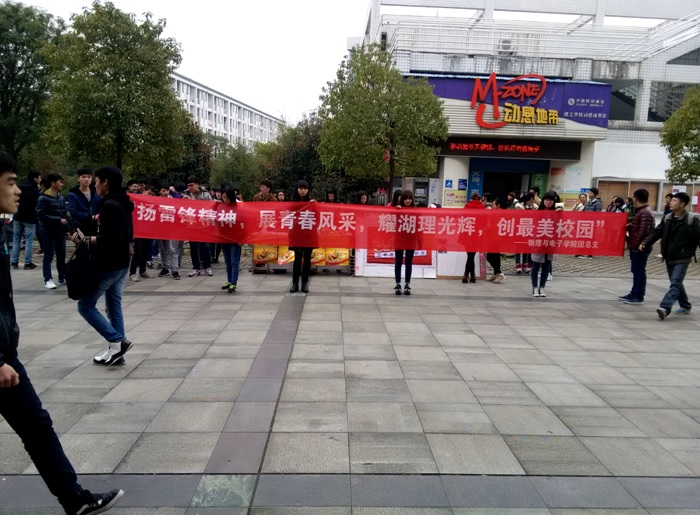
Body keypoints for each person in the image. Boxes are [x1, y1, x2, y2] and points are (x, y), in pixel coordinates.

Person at [0, 153, 124, 514]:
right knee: (36, 427)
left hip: (7, 356)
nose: (19, 190)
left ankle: (74, 499)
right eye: (11, 183)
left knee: (37, 426)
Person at [74, 166, 134, 367]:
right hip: (122, 263)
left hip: (109, 264)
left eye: (97, 181)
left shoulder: (110, 206)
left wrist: (87, 240)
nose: (95, 184)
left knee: (85, 306)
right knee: (113, 306)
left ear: (106, 182)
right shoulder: (123, 202)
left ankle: (117, 341)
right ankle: (117, 351)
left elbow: (110, 238)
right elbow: (124, 235)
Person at [640, 192, 700, 320]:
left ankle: (665, 307)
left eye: (674, 201)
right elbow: (657, 232)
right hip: (668, 255)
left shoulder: (692, 220)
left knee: (675, 282)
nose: (671, 202)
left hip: (683, 256)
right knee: (676, 282)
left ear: (682, 204)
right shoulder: (667, 218)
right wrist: (645, 242)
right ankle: (686, 305)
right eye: (671, 200)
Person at [620, 189, 655, 305]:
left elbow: (643, 232)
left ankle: (639, 296)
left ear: (636, 198)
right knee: (636, 270)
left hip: (640, 247)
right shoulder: (641, 211)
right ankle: (634, 293)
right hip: (637, 246)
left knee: (639, 271)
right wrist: (630, 226)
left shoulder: (644, 212)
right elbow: (639, 228)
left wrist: (635, 246)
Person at [36, 173, 69, 289]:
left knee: (62, 254)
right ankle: (48, 279)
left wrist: (66, 229)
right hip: (48, 231)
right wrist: (58, 220)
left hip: (60, 231)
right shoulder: (43, 198)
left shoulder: (61, 197)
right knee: (49, 255)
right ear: (53, 183)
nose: (62, 184)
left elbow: (64, 214)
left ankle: (62, 276)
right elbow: (41, 215)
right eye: (60, 182)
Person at [531, 192, 560, 297]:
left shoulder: (556, 213)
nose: (549, 202)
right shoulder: (537, 213)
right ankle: (535, 287)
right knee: (535, 265)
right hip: (539, 242)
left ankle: (542, 287)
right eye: (547, 200)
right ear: (543, 201)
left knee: (546, 266)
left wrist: (560, 213)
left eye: (551, 200)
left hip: (550, 243)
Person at [11, 170, 41, 270]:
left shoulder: (20, 186)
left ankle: (14, 262)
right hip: (30, 217)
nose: (40, 180)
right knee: (29, 240)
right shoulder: (34, 190)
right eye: (39, 178)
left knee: (16, 239)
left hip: (18, 215)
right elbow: (36, 204)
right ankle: (27, 263)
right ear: (35, 178)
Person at [184, 176, 214, 277]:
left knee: (205, 246)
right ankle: (196, 267)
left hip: (203, 225)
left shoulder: (206, 195)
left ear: (197, 184)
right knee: (193, 247)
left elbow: (211, 208)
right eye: (188, 185)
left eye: (192, 185)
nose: (190, 187)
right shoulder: (186, 195)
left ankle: (207, 266)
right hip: (191, 224)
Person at [289, 180, 316, 293]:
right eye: (301, 188)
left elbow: (316, 217)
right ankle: (295, 283)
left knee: (307, 260)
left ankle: (305, 283)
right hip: (297, 234)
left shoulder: (312, 202)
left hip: (308, 234)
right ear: (297, 189)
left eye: (305, 188)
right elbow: (289, 216)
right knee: (297, 259)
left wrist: (315, 205)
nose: (303, 191)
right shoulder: (293, 203)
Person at [156, 184, 183, 280]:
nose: (166, 192)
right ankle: (165, 267)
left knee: (172, 249)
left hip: (171, 229)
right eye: (163, 190)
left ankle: (175, 270)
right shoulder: (155, 201)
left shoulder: (174, 200)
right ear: (159, 191)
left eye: (167, 190)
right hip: (160, 229)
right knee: (162, 249)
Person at [220, 186, 242, 293]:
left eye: (227, 197)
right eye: (223, 197)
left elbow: (243, 223)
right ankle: (229, 280)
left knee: (234, 261)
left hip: (235, 238)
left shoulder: (238, 207)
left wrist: (241, 238)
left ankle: (234, 282)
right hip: (224, 238)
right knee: (227, 261)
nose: (225, 200)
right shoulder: (220, 207)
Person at [394, 190, 416, 295]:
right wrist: (396, 211)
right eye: (406, 198)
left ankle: (407, 284)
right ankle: (398, 284)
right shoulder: (398, 209)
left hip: (411, 239)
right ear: (402, 199)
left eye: (410, 198)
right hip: (399, 238)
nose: (408, 201)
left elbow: (418, 226)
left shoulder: (415, 211)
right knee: (398, 261)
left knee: (408, 262)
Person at [68, 168, 100, 237]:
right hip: (81, 227)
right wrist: (89, 216)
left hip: (96, 226)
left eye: (89, 177)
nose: (86, 179)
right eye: (84, 177)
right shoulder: (73, 194)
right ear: (78, 179)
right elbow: (73, 212)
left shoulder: (97, 192)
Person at [462, 192, 485, 283]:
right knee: (472, 255)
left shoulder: (467, 207)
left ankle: (466, 275)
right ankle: (472, 275)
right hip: (477, 234)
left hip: (467, 234)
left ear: (471, 199)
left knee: (469, 255)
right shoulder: (482, 208)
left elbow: (462, 219)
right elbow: (484, 222)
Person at [486, 198, 506, 283]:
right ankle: (496, 273)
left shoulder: (498, 213)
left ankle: (499, 273)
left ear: (498, 205)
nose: (492, 206)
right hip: (496, 237)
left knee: (491, 256)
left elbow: (493, 226)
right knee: (495, 255)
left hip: (497, 238)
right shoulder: (499, 213)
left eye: (494, 204)